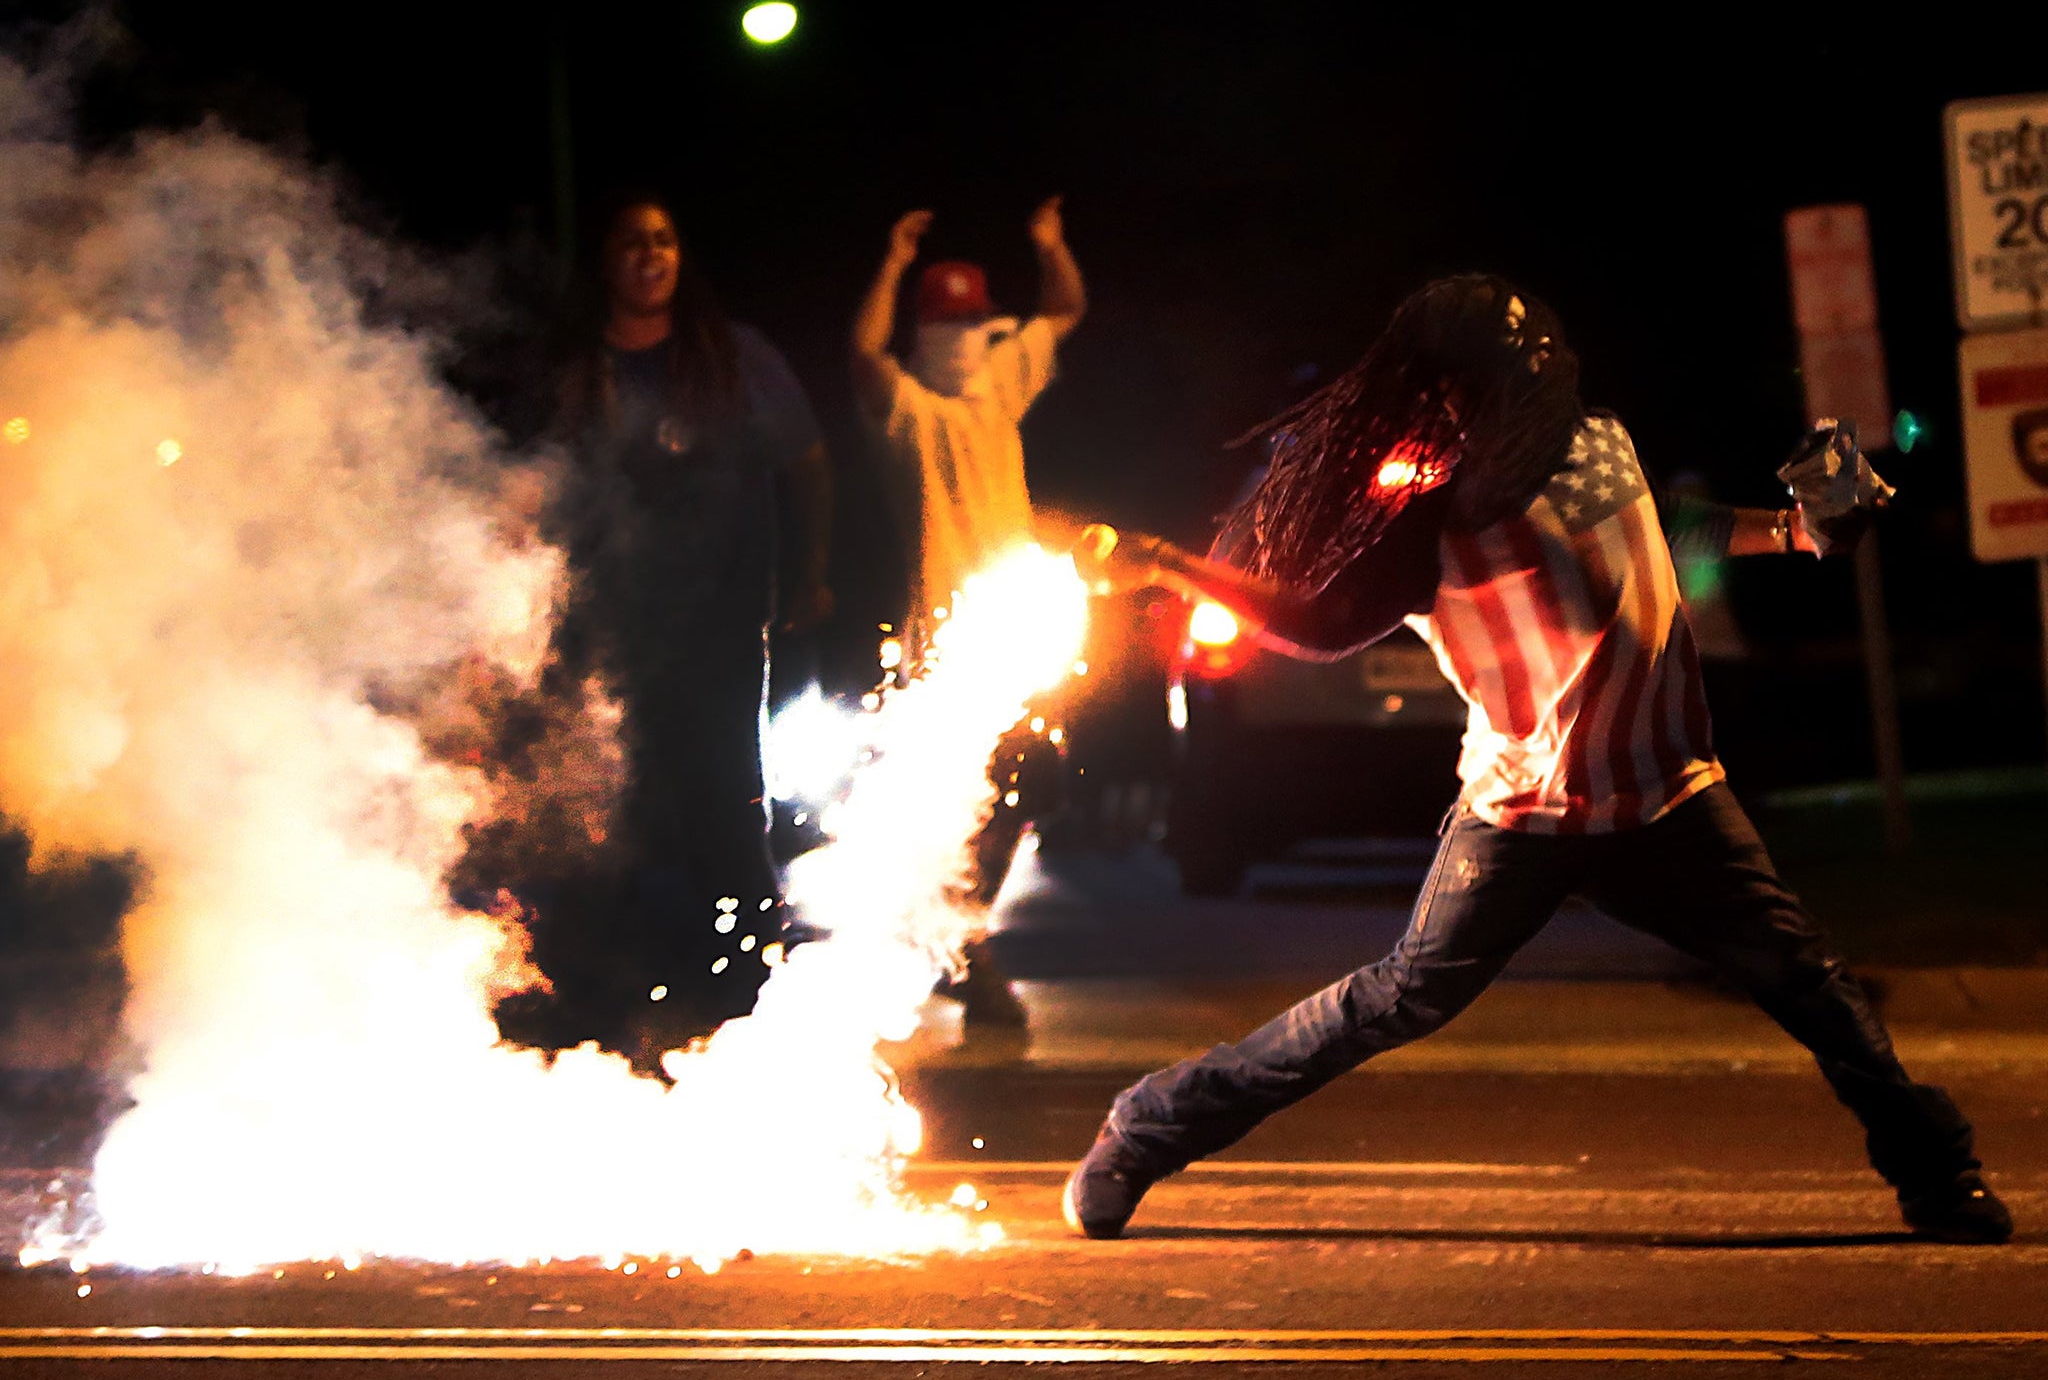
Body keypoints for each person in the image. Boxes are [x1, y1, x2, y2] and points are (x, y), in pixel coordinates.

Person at [1062, 274, 2012, 1245]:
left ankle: (1937, 1177)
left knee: (1806, 981)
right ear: (1446, 395)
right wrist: (1165, 563)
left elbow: (1657, 519)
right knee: (1395, 1000)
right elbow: (1318, 626)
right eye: (1505, 379)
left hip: (1666, 797)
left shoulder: (1596, 437)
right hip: (1522, 816)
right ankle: (1148, 1126)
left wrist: (1794, 530)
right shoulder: (1428, 514)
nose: (1533, 389)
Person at [543, 190, 833, 1062]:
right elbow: (542, 488)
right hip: (608, 632)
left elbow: (810, 464)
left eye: (664, 240)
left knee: (723, 805)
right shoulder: (578, 367)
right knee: (608, 815)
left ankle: (745, 992)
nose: (649, 256)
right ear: (606, 260)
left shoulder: (733, 358)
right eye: (632, 242)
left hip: (719, 624)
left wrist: (811, 576)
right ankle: (602, 1000)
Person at [850, 198, 1086, 1028]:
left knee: (1028, 793)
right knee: (960, 797)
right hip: (944, 648)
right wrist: (892, 263)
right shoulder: (913, 413)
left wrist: (1049, 246)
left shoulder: (1001, 392)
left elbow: (1065, 310)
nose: (961, 338)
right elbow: (863, 352)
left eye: (971, 322)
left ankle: (958, 933)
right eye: (946, 324)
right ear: (926, 333)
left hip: (1015, 636)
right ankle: (966, 950)